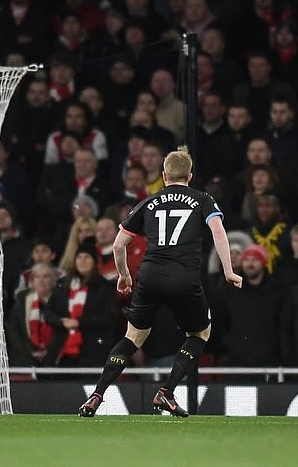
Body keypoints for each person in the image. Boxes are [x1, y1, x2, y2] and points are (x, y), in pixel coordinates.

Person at [80, 148, 242, 418]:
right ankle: (166, 391)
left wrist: (124, 275)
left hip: (150, 276)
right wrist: (228, 271)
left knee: (133, 337)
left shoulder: (149, 202)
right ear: (190, 176)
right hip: (184, 278)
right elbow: (218, 231)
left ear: (164, 176)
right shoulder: (203, 199)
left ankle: (96, 396)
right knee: (199, 334)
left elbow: (119, 244)